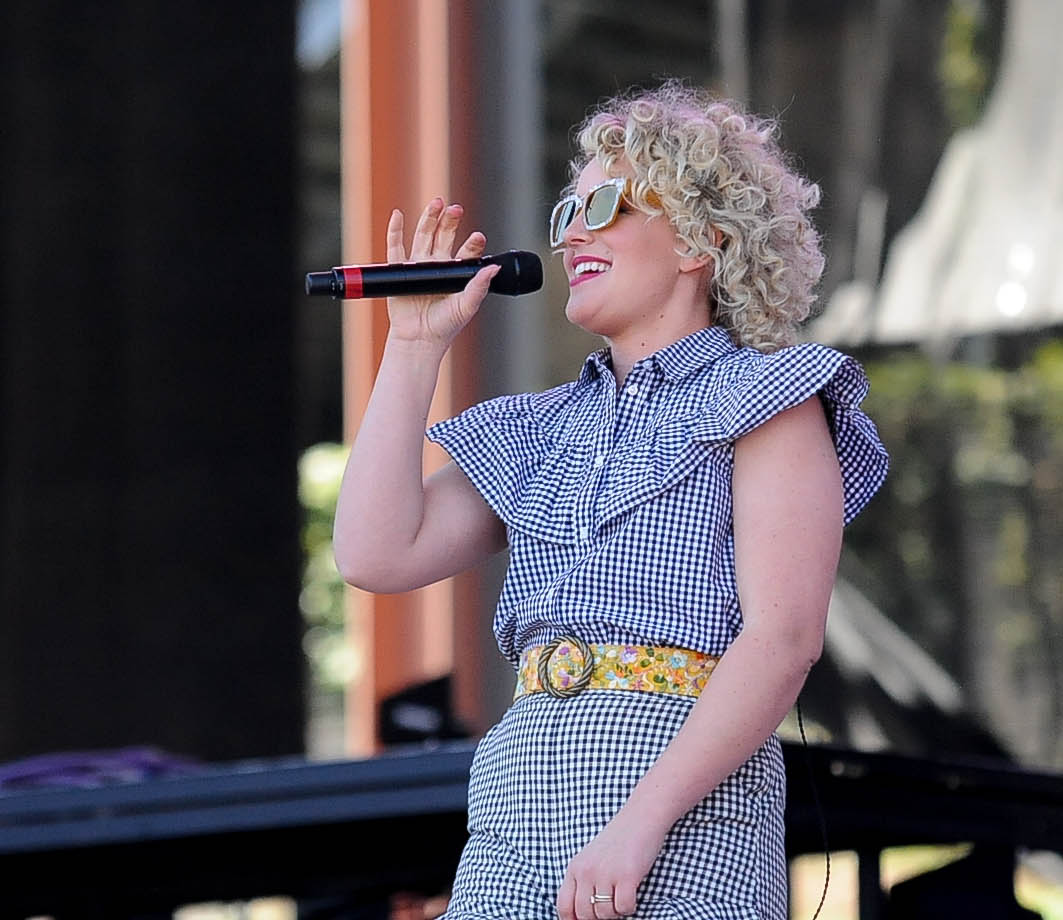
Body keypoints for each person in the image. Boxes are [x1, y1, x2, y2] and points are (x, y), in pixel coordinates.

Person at [333, 82, 889, 920]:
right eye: (566, 213)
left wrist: (639, 822)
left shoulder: (768, 396)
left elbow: (783, 640)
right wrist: (414, 347)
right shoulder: (539, 428)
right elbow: (374, 553)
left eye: (603, 204)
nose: (572, 234)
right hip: (518, 802)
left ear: (702, 238)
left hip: (686, 806)